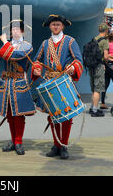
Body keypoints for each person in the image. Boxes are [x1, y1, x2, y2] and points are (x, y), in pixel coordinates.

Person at [31, 15, 83, 159]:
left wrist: (73, 68)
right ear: (50, 26)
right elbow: (37, 60)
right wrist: (36, 68)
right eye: (53, 24)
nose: (55, 26)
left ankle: (64, 145)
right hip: (49, 82)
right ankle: (56, 145)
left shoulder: (70, 41)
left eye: (58, 24)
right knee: (53, 115)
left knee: (66, 115)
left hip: (64, 82)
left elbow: (78, 60)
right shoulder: (44, 43)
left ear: (62, 26)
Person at [0, 20, 36, 156]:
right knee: (9, 113)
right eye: (12, 29)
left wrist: (4, 43)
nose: (14, 31)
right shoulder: (7, 46)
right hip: (6, 83)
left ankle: (19, 141)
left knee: (18, 114)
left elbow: (14, 55)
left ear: (22, 31)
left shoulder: (27, 46)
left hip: (19, 82)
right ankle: (14, 141)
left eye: (17, 29)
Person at [88, 23, 109, 117]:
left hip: (91, 66)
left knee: (93, 89)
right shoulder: (104, 41)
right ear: (106, 31)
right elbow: (106, 56)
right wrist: (105, 62)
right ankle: (95, 110)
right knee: (98, 89)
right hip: (98, 67)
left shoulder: (93, 39)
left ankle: (92, 107)